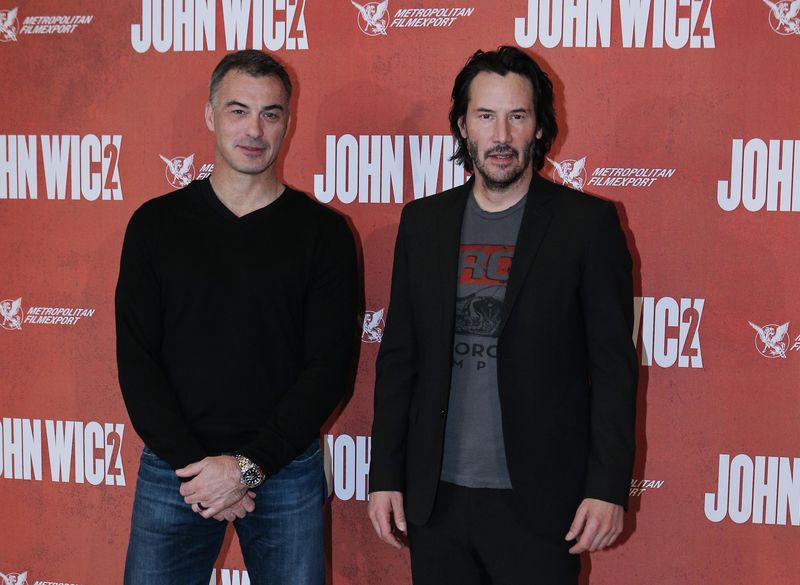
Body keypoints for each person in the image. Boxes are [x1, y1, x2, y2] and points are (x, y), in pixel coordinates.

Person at [368, 46, 638, 584]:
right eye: (486, 116)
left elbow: (613, 369)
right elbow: (399, 360)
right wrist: (384, 475)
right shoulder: (423, 224)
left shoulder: (586, 226)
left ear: (539, 127)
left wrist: (608, 487)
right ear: (462, 126)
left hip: (540, 500)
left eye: (518, 116)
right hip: (436, 499)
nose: (502, 135)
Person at [116, 50, 358, 585]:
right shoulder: (155, 225)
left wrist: (246, 469)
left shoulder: (324, 234)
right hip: (176, 471)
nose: (254, 129)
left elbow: (328, 370)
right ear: (210, 115)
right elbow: (137, 362)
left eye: (271, 113)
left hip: (284, 469)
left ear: (288, 122)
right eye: (238, 110)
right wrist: (200, 472)